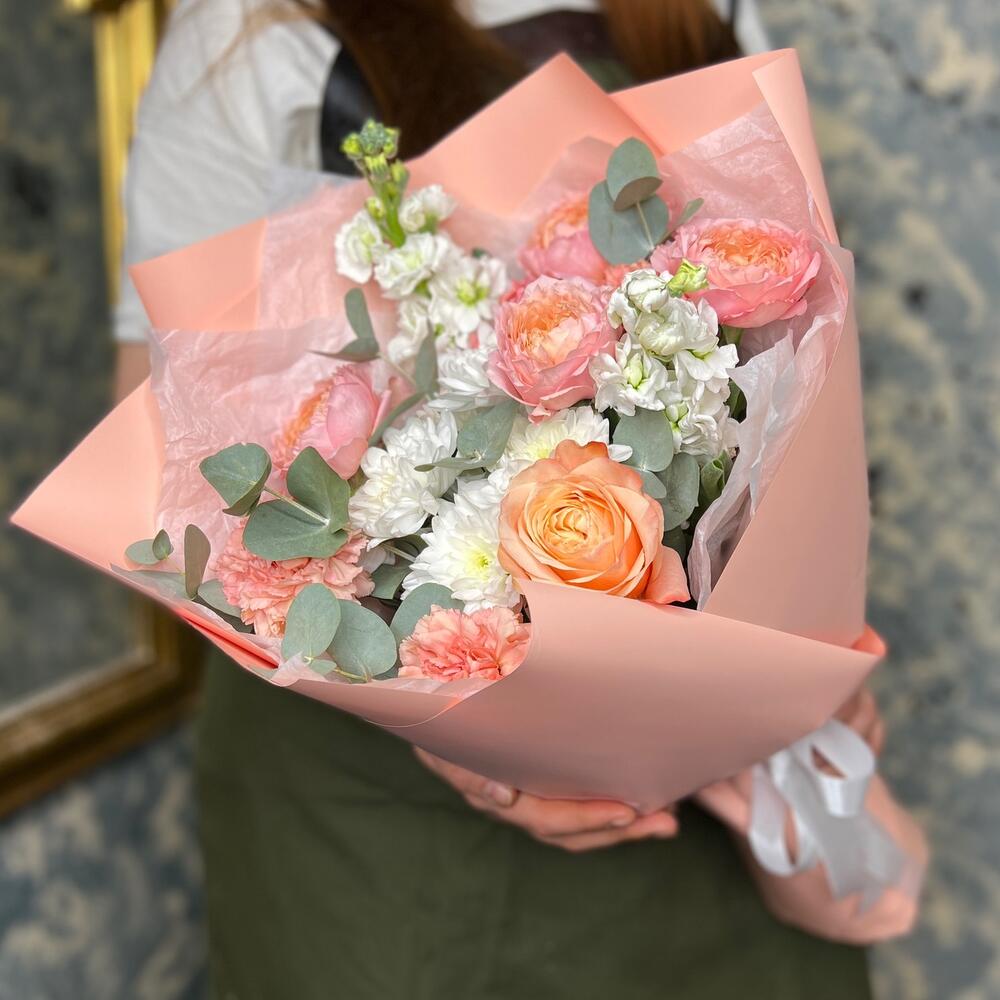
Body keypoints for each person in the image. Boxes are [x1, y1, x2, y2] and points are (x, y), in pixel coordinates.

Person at [114, 2, 879, 997]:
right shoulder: (250, 31)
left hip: (712, 795)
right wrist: (461, 724)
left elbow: (792, 356)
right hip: (384, 836)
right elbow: (172, 464)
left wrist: (796, 654)